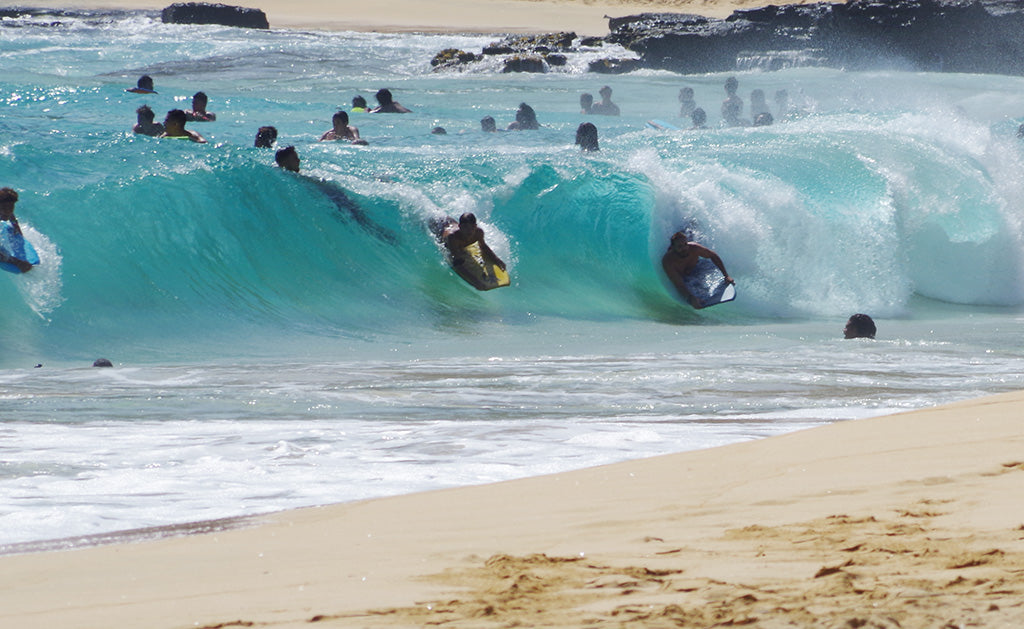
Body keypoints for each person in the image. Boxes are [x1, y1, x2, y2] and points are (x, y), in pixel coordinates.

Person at [661, 231, 734, 308]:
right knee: (694, 290)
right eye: (680, 246)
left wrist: (726, 275)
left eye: (685, 244)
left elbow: (713, 255)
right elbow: (679, 285)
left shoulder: (694, 248)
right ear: (672, 248)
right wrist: (690, 298)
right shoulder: (668, 261)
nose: (684, 248)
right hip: (685, 278)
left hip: (698, 267)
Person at [441, 212, 506, 271]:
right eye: (465, 227)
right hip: (440, 228)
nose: (469, 231)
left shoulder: (478, 233)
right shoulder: (453, 237)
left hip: (451, 223)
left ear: (475, 226)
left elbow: (483, 247)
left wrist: (497, 260)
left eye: (472, 227)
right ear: (460, 227)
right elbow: (455, 256)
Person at [0, 188, 34, 273]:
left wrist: (17, 228)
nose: (8, 211)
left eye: (11, 207)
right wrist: (16, 262)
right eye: (4, 208)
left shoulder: (5, 208)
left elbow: (11, 216)